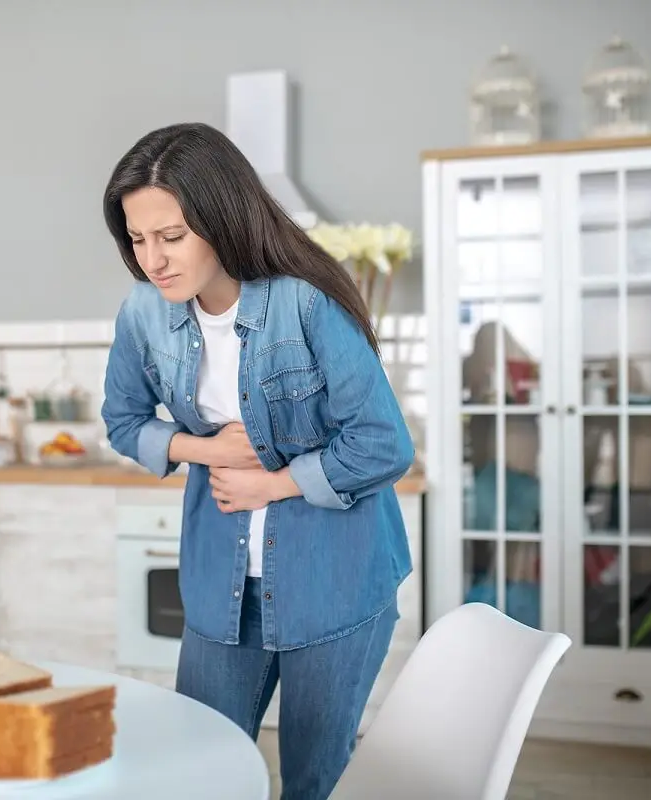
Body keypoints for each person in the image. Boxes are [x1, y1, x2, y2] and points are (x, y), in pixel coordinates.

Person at [100, 121, 415, 800]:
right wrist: (204, 448)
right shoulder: (144, 315)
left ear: (220, 219)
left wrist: (271, 484)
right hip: (222, 589)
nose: (153, 259)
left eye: (172, 237)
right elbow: (122, 422)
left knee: (313, 780)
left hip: (336, 581)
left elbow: (385, 444)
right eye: (137, 239)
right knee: (196, 772)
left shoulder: (304, 304)